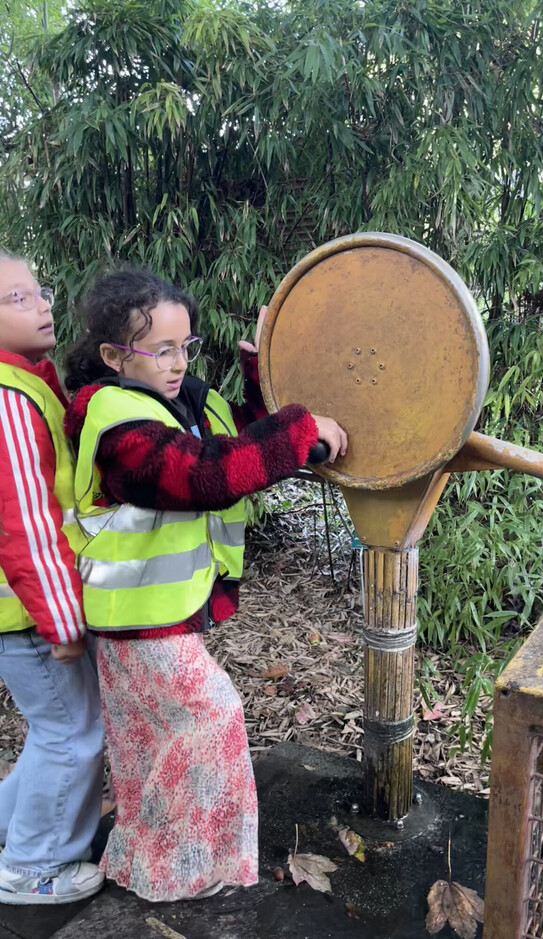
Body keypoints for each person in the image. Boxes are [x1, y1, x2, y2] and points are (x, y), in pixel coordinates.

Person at [63, 268, 347, 902]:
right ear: (114, 356)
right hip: (135, 622)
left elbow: (242, 435)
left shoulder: (184, 397)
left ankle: (153, 866)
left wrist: (259, 370)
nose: (177, 362)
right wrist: (304, 430)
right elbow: (205, 475)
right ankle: (191, 870)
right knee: (212, 717)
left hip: (159, 617)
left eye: (186, 346)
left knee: (148, 749)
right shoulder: (114, 423)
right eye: (161, 349)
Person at [0, 251, 104, 904]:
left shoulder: (31, 379)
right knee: (71, 733)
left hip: (30, 610)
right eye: (17, 298)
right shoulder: (9, 398)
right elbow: (27, 522)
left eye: (39, 293)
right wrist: (62, 618)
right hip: (30, 614)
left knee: (57, 726)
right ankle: (35, 867)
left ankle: (15, 826)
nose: (41, 305)